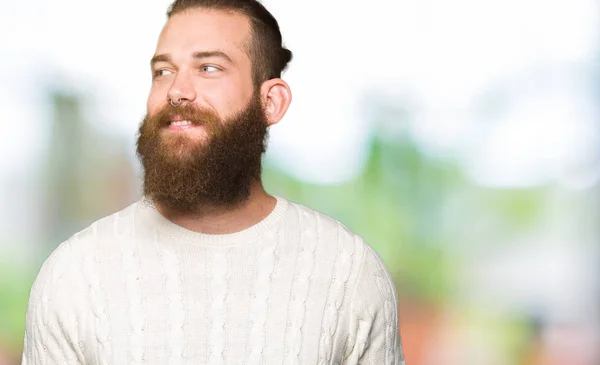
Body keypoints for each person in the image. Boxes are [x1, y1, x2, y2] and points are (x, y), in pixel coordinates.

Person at [21, 0, 406, 363]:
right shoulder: (74, 275)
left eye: (208, 68)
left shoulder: (349, 274)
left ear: (271, 102)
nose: (176, 91)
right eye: (163, 71)